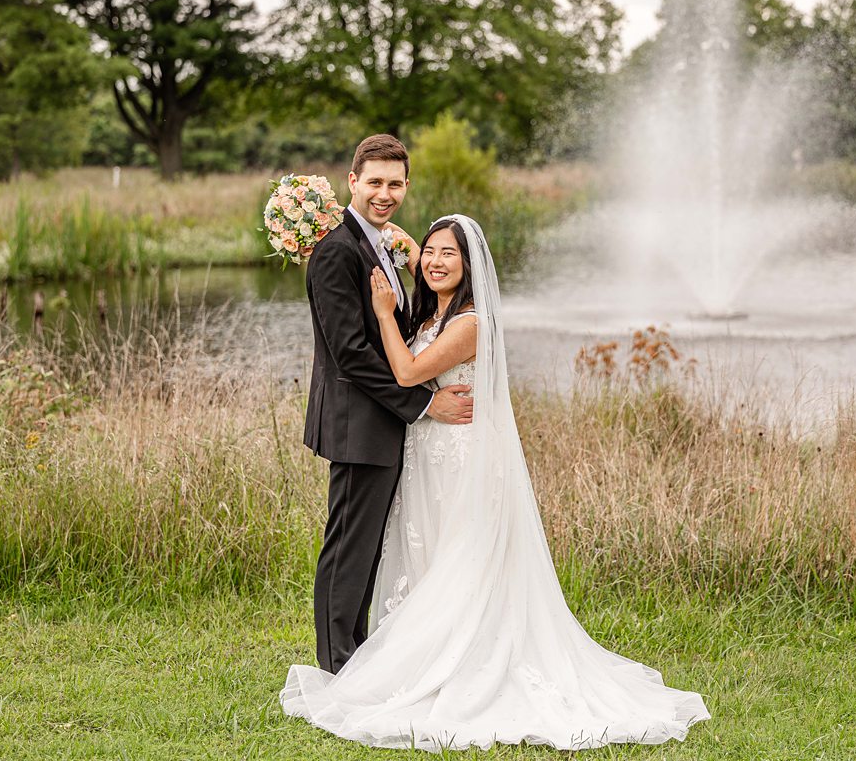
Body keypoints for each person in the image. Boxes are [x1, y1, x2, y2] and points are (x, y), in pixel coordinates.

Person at [282, 214, 710, 751]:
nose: (436, 261)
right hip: (426, 452)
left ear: (472, 266)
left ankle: (461, 660)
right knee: (430, 555)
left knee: (461, 556)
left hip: (460, 456)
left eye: (450, 255)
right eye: (432, 252)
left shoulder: (471, 323)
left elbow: (411, 373)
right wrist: (413, 254)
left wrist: (385, 315)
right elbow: (423, 274)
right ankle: (413, 652)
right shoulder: (434, 308)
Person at [301, 134, 473, 675]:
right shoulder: (336, 251)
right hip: (359, 425)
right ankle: (336, 667)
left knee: (369, 547)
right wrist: (424, 404)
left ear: (406, 186)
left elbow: (399, 328)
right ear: (352, 181)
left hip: (382, 425)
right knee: (350, 547)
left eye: (395, 184)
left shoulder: (380, 245)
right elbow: (349, 354)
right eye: (374, 182)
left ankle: (353, 655)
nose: (385, 193)